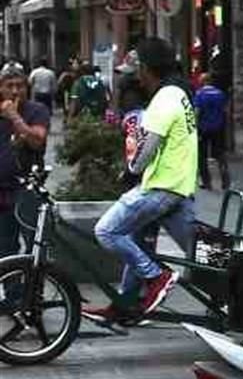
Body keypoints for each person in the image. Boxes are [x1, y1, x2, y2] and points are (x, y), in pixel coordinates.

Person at [82, 38, 198, 324]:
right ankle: (125, 304)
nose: (135, 79)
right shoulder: (179, 94)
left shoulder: (164, 98)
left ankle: (157, 277)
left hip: (161, 187)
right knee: (199, 257)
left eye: (136, 72)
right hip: (178, 187)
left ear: (147, 69)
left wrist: (131, 170)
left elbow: (148, 146)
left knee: (107, 231)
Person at [0, 64, 50, 261]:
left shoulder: (37, 110)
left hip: (27, 190)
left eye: (19, 85)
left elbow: (37, 141)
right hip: (2, 193)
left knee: (34, 247)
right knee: (5, 250)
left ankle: (33, 290)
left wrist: (15, 117)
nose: (14, 90)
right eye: (9, 85)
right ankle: (14, 292)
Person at [193, 73, 231, 190]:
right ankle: (225, 180)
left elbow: (197, 112)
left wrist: (194, 126)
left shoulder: (200, 94)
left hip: (204, 128)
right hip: (218, 128)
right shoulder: (220, 94)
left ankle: (207, 182)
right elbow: (226, 111)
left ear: (202, 82)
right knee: (220, 154)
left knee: (202, 156)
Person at [113, 51, 148, 116]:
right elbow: (116, 99)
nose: (124, 77)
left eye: (130, 74)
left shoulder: (149, 84)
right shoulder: (123, 81)